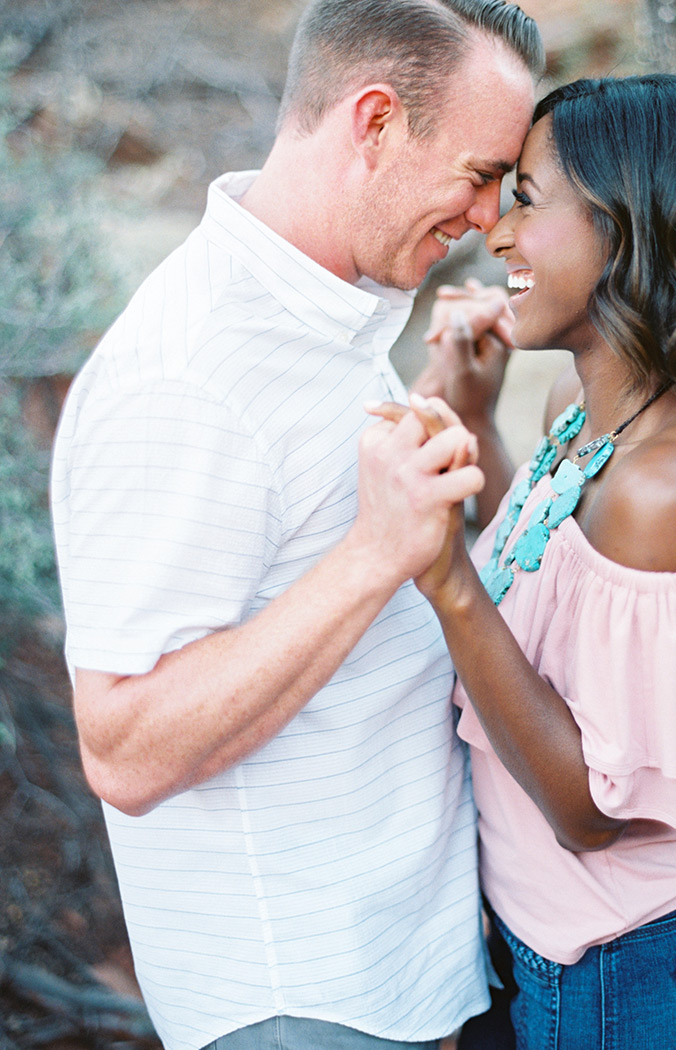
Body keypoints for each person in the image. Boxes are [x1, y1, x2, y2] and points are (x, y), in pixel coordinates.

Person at [49, 3, 543, 1049]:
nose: (489, 217)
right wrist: (374, 554)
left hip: (395, 968)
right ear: (375, 122)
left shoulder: (321, 308)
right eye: (479, 174)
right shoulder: (184, 376)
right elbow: (124, 749)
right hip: (301, 998)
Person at [369, 73, 676, 1049]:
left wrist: (443, 577)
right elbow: (547, 580)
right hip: (550, 946)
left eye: (527, 200)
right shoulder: (583, 418)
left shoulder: (670, 491)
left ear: (629, 227)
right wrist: (477, 424)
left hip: (636, 973)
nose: (496, 234)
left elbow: (587, 811)